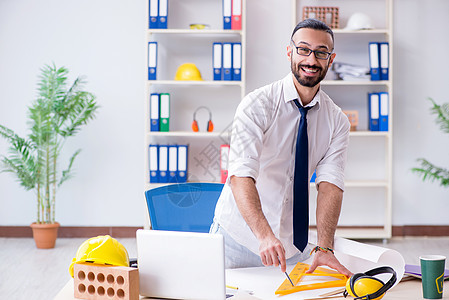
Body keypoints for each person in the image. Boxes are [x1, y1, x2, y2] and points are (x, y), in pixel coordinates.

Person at [210, 18, 352, 277]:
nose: (311, 59)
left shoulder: (337, 121)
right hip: (237, 239)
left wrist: (325, 247)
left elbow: (330, 185)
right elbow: (241, 176)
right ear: (290, 51)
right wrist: (264, 236)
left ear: (330, 60)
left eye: (321, 52)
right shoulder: (257, 105)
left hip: (290, 246)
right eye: (303, 49)